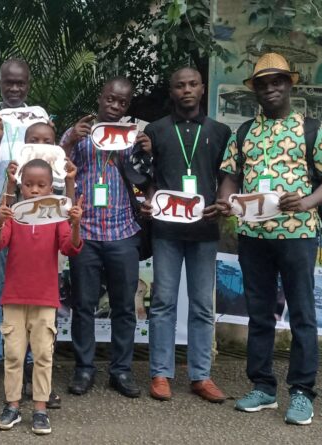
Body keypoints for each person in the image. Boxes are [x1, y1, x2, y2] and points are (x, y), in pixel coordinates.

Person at [216, 53, 322, 425]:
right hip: (253, 235)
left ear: (289, 84)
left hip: (298, 234)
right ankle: (263, 388)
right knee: (259, 313)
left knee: (302, 313)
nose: (270, 88)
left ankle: (302, 392)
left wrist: (305, 202)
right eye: (262, 83)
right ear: (254, 89)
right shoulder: (244, 132)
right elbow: (230, 175)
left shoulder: (311, 129)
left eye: (277, 81)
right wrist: (224, 200)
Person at [140, 67, 232, 403]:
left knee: (202, 304)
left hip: (205, 229)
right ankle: (161, 373)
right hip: (166, 229)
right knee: (163, 301)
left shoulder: (220, 132)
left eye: (193, 84)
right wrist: (149, 199)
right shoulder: (157, 129)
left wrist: (222, 201)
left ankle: (201, 376)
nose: (187, 90)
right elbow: (150, 176)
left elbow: (227, 175)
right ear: (172, 90)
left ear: (203, 88)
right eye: (180, 85)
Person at [60, 77, 151, 398]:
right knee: (83, 305)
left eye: (122, 103)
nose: (114, 106)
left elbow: (144, 176)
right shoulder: (80, 133)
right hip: (84, 233)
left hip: (123, 232)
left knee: (124, 306)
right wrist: (70, 139)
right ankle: (84, 369)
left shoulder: (131, 139)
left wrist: (145, 150)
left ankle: (121, 371)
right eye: (110, 99)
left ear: (127, 107)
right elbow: (56, 168)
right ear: (100, 98)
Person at [0, 159, 83, 435]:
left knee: (43, 354)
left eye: (41, 185)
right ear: (20, 186)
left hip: (45, 299)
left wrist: (75, 224)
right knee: (14, 354)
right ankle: (13, 406)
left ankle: (40, 409)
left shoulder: (56, 219)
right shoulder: (15, 216)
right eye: (28, 185)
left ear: (50, 188)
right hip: (14, 298)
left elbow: (71, 248)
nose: (34, 190)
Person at [0, 58, 49, 386]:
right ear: (0, 82)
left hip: (34, 218)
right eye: (9, 82)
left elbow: (51, 165)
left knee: (28, 292)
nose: (15, 88)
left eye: (21, 83)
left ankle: (28, 359)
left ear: (28, 84)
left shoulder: (41, 117)